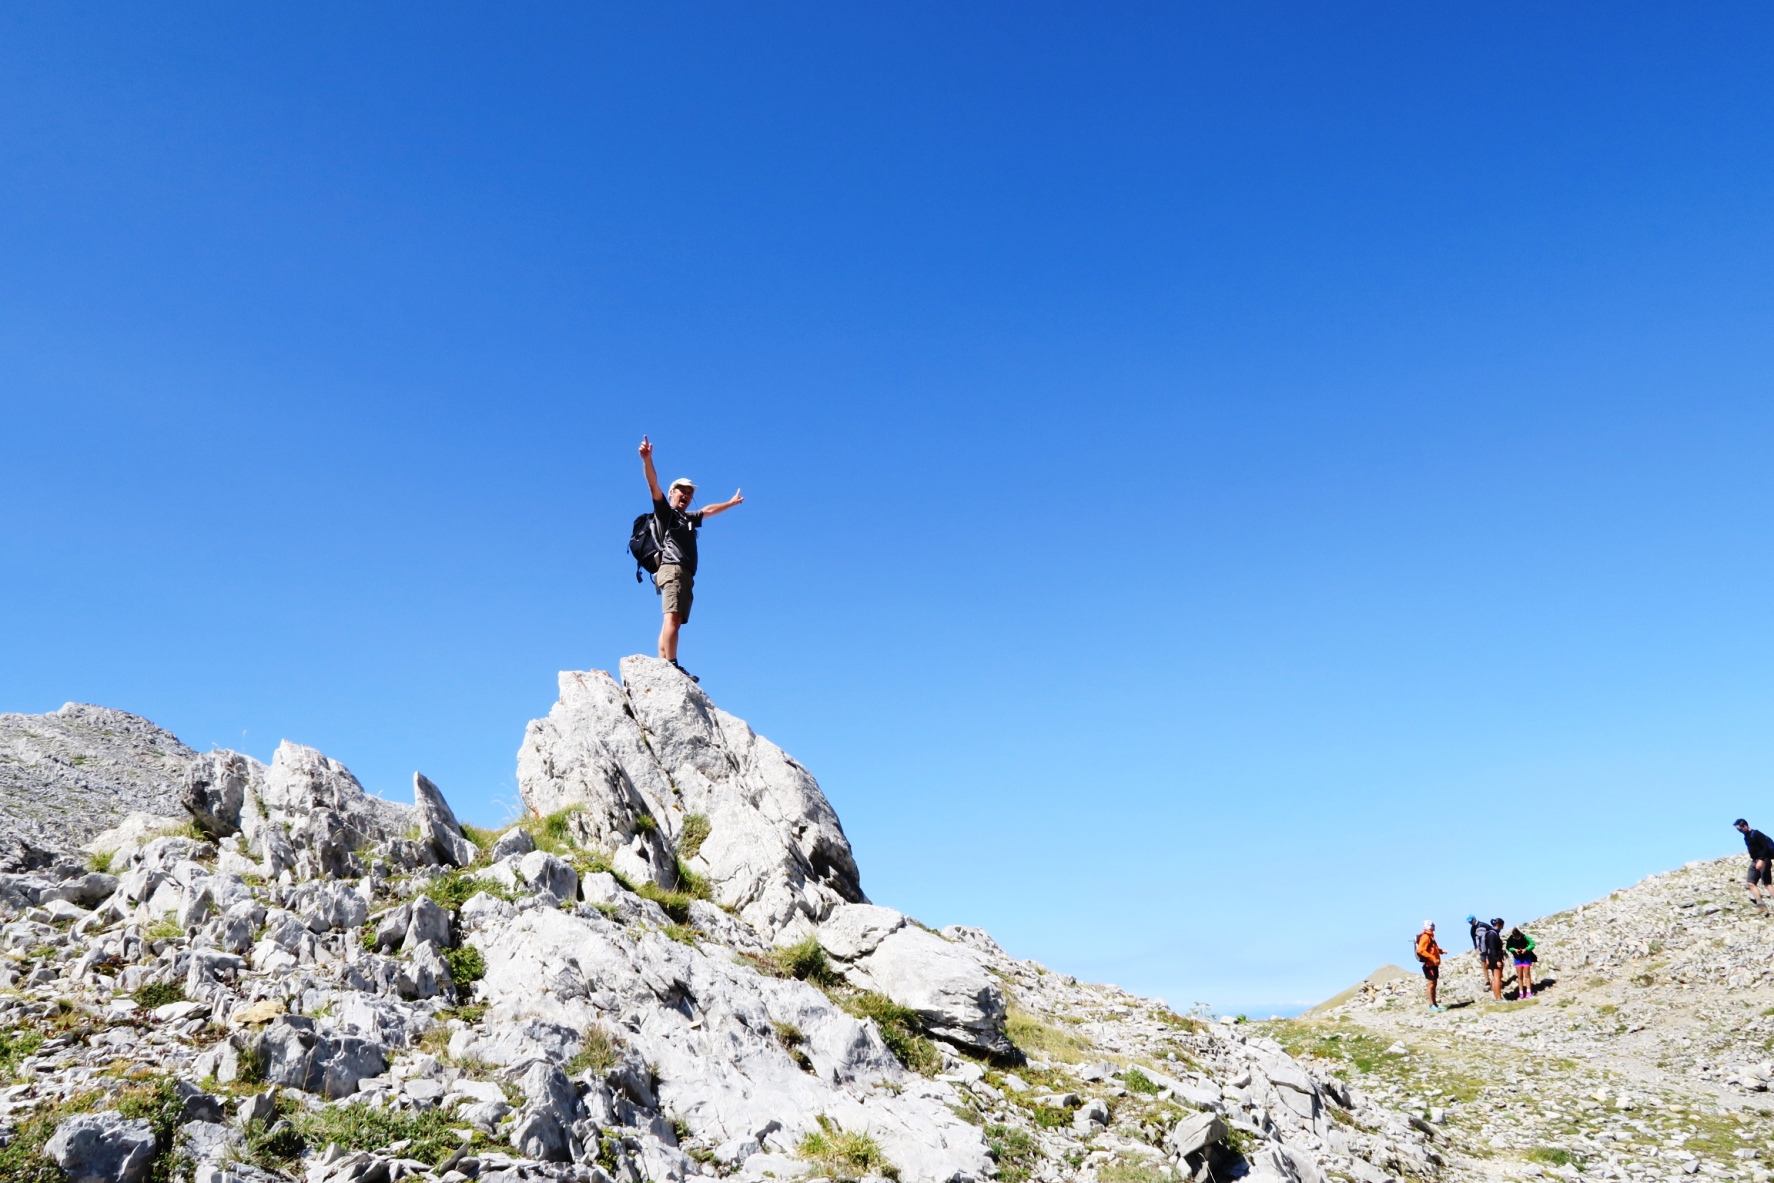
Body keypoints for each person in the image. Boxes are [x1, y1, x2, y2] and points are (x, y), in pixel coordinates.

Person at [638, 436, 744, 677]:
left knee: (672, 617)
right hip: (673, 567)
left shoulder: (687, 518)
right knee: (672, 617)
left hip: (684, 572)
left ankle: (664, 662)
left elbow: (707, 510)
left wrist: (729, 503)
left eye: (689, 493)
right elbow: (653, 485)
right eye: (681, 491)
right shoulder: (666, 513)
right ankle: (671, 665)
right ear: (672, 493)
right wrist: (647, 460)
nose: (686, 495)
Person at [1735, 819, 1774, 908]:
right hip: (1754, 860)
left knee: (1767, 883)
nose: (1739, 832)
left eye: (1740, 829)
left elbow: (1765, 847)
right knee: (1750, 883)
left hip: (1764, 859)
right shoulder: (1746, 836)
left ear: (1745, 826)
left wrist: (1761, 860)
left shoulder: (1756, 834)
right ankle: (1761, 905)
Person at [1468, 914, 1506, 1001]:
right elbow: (1492, 947)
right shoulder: (1491, 932)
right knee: (1496, 977)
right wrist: (1497, 960)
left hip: (1486, 953)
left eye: (1471, 921)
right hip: (1491, 955)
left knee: (1494, 975)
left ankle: (1496, 994)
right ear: (1499, 925)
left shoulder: (1481, 927)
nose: (1470, 923)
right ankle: (1498, 998)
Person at [1414, 921, 1444, 1010]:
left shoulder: (1430, 936)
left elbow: (1432, 948)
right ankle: (1431, 1005)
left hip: (1433, 964)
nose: (1434, 926)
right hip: (1429, 964)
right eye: (1433, 925)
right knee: (1431, 984)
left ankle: (1435, 1004)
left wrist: (1441, 951)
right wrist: (1432, 958)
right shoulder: (1426, 937)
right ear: (1430, 927)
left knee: (1434, 983)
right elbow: (1421, 950)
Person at [1504, 926, 1536, 999]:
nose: (1517, 938)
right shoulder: (1511, 939)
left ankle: (1529, 992)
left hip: (1526, 957)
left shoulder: (1525, 937)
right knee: (1520, 976)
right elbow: (1508, 947)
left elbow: (1532, 944)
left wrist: (1526, 949)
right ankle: (1521, 993)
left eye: (1518, 937)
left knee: (1527, 974)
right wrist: (1514, 950)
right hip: (1517, 958)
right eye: (1515, 937)